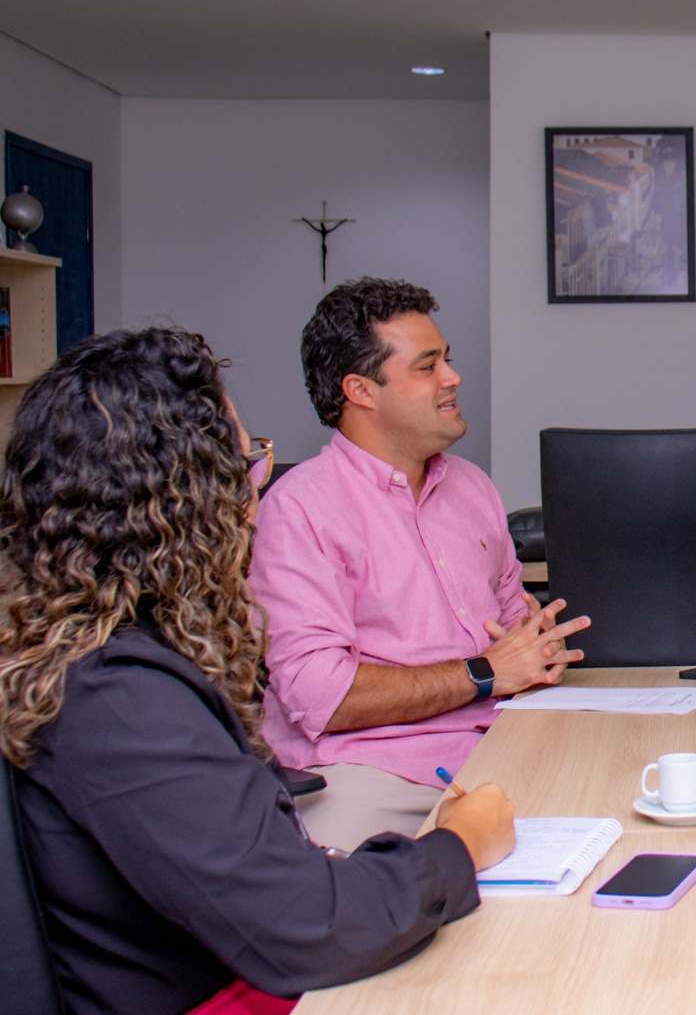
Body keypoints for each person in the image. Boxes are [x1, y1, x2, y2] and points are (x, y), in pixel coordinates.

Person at [0, 326, 516, 1014]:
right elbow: (309, 929)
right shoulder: (119, 697)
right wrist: (462, 844)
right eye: (247, 461)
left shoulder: (95, 657)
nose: (257, 487)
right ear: (185, 498)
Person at [251, 278, 588, 850]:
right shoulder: (298, 507)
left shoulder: (473, 487)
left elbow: (514, 640)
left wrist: (538, 653)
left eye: (446, 361)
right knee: (361, 898)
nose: (452, 378)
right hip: (371, 775)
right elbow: (318, 697)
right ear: (361, 390)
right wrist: (485, 672)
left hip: (500, 752)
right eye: (428, 366)